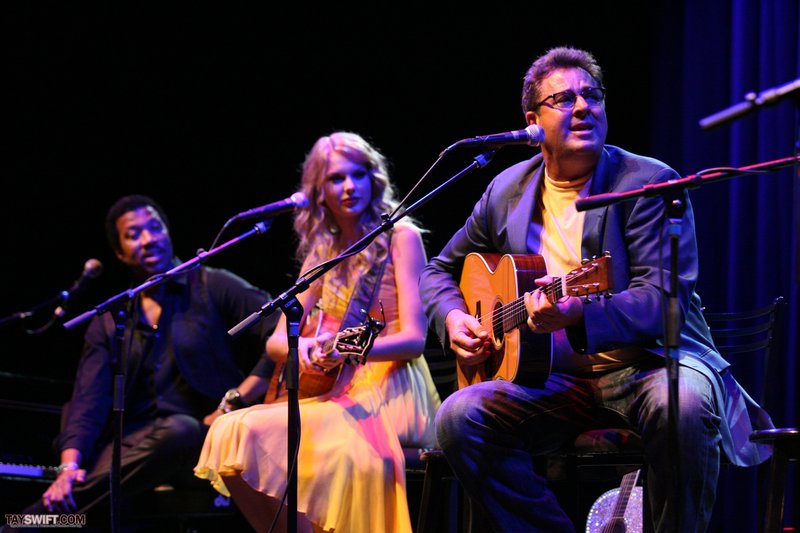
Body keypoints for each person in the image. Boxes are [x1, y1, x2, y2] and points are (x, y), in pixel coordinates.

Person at [418, 46, 774, 532]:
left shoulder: (648, 182)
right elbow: (438, 270)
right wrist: (454, 317)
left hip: (649, 363)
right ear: (532, 122)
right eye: (564, 99)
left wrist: (579, 315)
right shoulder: (506, 190)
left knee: (684, 406)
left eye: (593, 95)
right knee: (461, 416)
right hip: (554, 379)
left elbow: (662, 301)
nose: (583, 107)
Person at [194, 131, 441, 533]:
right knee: (229, 431)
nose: (349, 187)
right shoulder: (323, 252)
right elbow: (277, 342)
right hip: (337, 389)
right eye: (335, 179)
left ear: (373, 178)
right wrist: (305, 345)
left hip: (392, 389)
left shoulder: (401, 237)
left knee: (331, 448)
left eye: (357, 175)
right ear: (318, 191)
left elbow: (415, 340)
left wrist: (347, 349)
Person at [2, 194, 279, 532]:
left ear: (167, 231)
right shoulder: (111, 318)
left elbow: (281, 331)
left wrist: (235, 399)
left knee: (180, 430)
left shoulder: (211, 285)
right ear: (120, 253)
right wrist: (68, 467)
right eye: (133, 235)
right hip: (135, 450)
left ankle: (23, 525)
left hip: (202, 442)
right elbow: (88, 399)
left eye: (154, 228)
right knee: (86, 492)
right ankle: (37, 523)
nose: (147, 239)